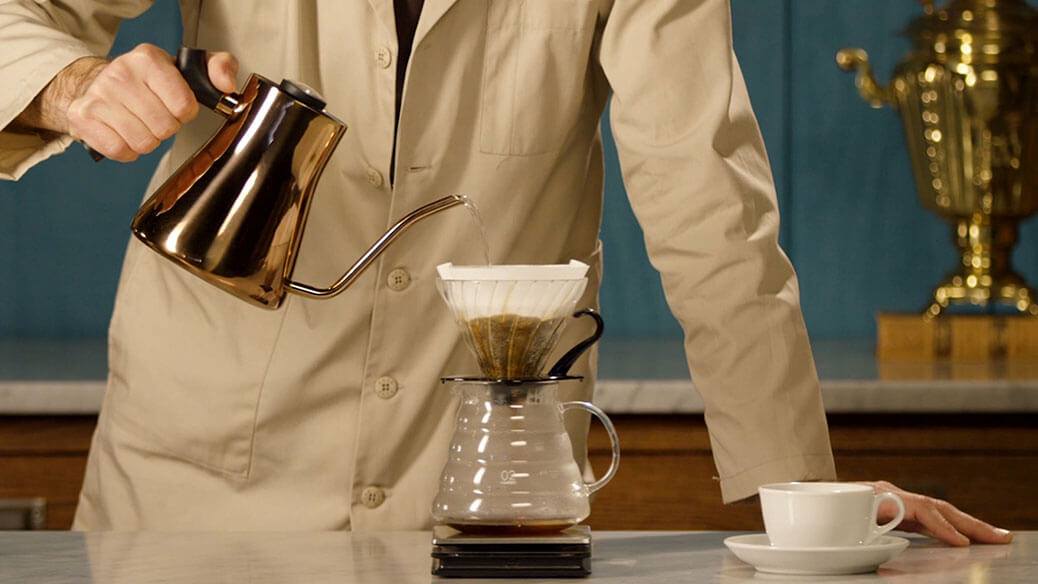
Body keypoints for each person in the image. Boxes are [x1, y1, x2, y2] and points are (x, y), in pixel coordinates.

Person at [0, 0, 1012, 546]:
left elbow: (711, 206)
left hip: (477, 498)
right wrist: (73, 84)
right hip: (193, 494)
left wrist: (804, 494)